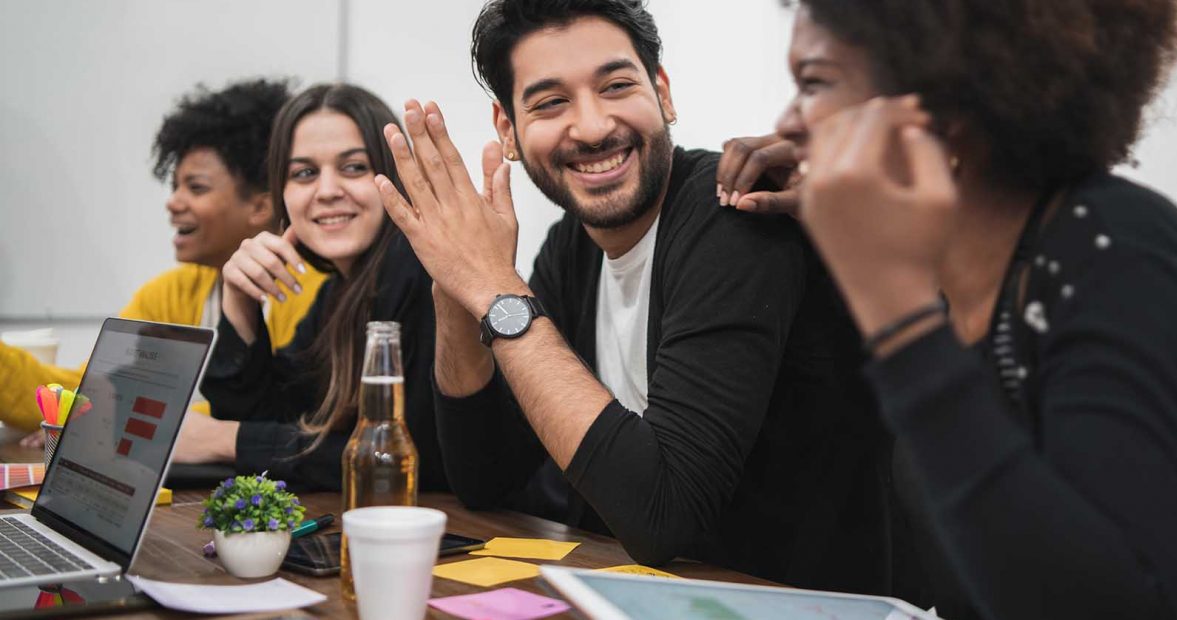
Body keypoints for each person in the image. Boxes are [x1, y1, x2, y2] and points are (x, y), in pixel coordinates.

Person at [749, 0, 1177, 618]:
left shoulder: (1119, 254)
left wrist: (896, 312)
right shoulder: (950, 283)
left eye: (814, 83)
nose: (787, 121)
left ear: (944, 98)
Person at [374, 0, 892, 594]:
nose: (592, 127)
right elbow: (484, 476)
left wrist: (497, 291)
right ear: (508, 132)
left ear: (663, 94)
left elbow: (665, 516)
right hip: (646, 596)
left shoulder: (732, 216)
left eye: (616, 86)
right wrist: (454, 284)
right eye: (550, 102)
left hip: (794, 604)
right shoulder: (572, 250)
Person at [177, 83, 468, 494]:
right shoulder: (338, 293)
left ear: (395, 176)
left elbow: (414, 460)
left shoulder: (421, 273)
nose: (328, 191)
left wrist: (225, 440)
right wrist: (240, 301)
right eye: (304, 173)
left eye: (353, 168)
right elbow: (277, 416)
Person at [0, 78, 323, 434]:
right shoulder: (168, 294)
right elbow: (91, 394)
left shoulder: (314, 291)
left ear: (262, 204)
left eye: (195, 188)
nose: (173, 203)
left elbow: (285, 415)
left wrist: (113, 417)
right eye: (174, 186)